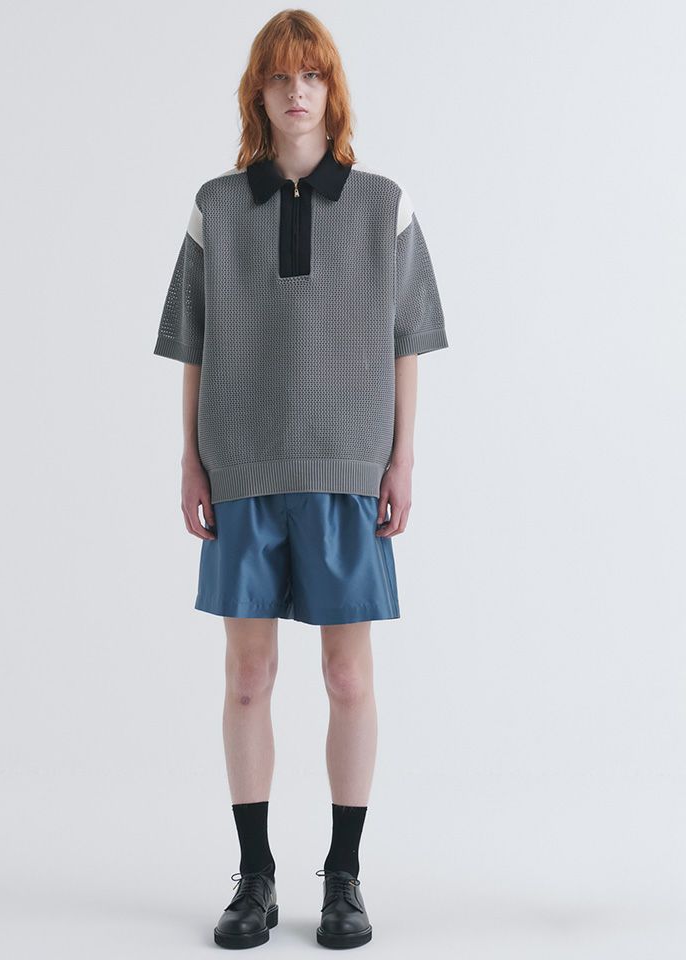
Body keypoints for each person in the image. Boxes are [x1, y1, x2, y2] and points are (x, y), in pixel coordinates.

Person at [153, 9, 448, 950]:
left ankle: (344, 879)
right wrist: (191, 456)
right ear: (259, 92)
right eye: (279, 77)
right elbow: (193, 344)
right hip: (242, 464)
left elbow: (407, 341)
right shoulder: (215, 205)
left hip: (346, 467)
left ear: (331, 89)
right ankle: (256, 877)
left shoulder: (382, 203)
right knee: (248, 676)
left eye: (311, 76)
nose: (296, 92)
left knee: (347, 676)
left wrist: (401, 457)